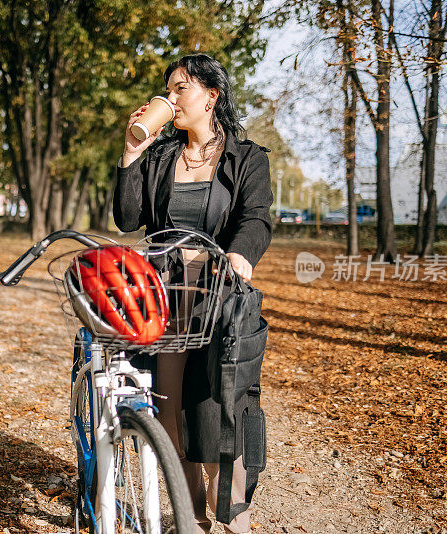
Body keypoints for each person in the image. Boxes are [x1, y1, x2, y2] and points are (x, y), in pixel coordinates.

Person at [112, 53, 273, 533]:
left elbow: (257, 217)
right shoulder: (161, 157)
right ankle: (194, 515)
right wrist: (130, 154)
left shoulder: (247, 159)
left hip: (221, 295)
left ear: (210, 96)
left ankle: (235, 517)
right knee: (168, 408)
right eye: (169, 88)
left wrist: (241, 254)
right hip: (167, 295)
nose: (171, 97)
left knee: (222, 408)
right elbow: (126, 219)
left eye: (181, 88)